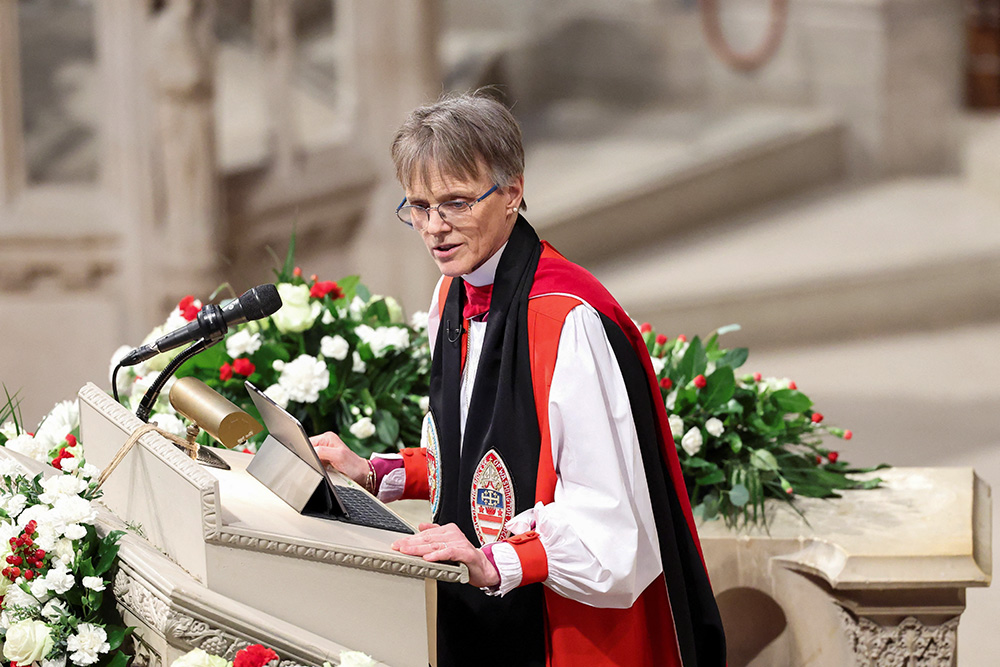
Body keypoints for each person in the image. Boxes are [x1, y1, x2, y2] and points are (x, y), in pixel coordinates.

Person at [311, 91, 725, 667]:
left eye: (455, 203)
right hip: (475, 611)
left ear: (512, 192)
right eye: (419, 207)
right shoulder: (451, 295)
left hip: (565, 629)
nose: (435, 228)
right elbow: (477, 460)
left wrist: (495, 562)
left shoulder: (567, 321)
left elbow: (609, 524)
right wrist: (373, 472)